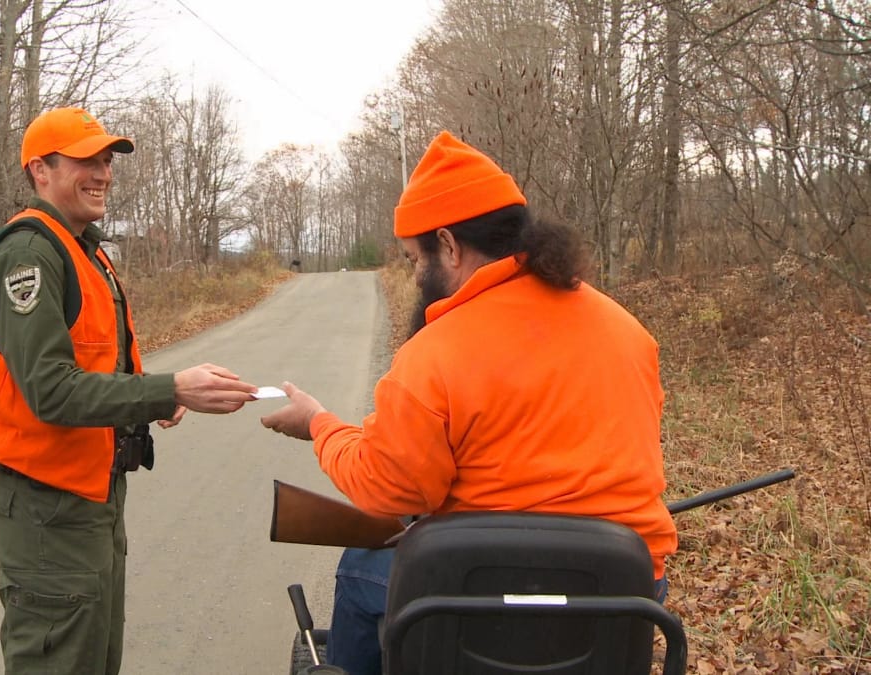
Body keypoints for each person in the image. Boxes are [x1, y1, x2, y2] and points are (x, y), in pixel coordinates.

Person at [260, 131, 678, 675]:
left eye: (415, 259)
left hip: (483, 590)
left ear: (450, 246)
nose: (416, 276)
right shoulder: (628, 331)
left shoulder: (435, 353)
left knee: (360, 565)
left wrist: (319, 423)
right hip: (624, 591)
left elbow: (390, 492)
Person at [0, 106, 258, 675]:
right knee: (58, 661)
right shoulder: (27, 255)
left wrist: (161, 396)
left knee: (95, 659)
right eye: (84, 160)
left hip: (92, 497)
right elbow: (49, 391)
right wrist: (166, 388)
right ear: (40, 171)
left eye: (105, 159)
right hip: (47, 505)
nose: (102, 172)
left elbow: (97, 360)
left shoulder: (86, 250)